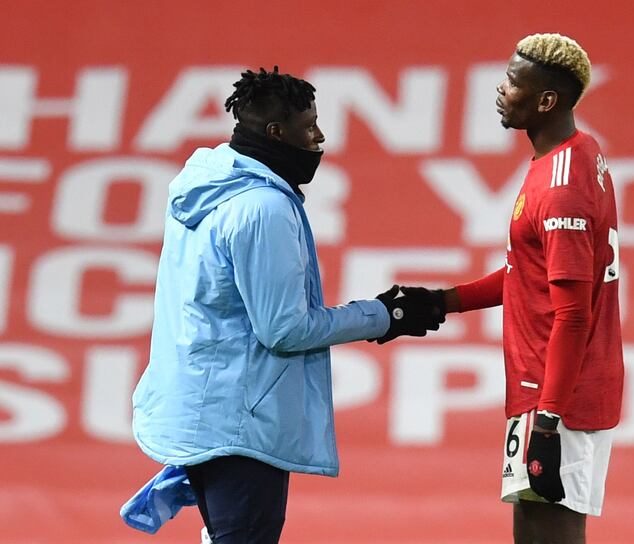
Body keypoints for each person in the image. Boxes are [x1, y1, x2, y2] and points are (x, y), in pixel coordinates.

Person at [123, 67, 443, 543]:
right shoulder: (262, 208)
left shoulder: (206, 182)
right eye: (309, 125)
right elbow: (285, 330)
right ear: (276, 133)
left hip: (202, 410)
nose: (319, 136)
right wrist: (386, 315)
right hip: (240, 424)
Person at [401, 34, 624, 543]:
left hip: (558, 395)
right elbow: (531, 275)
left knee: (551, 536)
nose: (500, 90)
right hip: (546, 389)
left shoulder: (560, 188)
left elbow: (573, 315)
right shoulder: (573, 155)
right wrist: (443, 302)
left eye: (512, 82)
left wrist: (548, 420)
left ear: (547, 101)